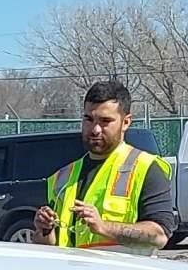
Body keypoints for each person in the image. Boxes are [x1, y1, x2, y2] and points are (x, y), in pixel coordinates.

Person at [32, 80, 178, 249]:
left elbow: (159, 235)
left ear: (126, 122)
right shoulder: (62, 176)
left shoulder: (146, 168)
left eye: (105, 121)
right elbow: (50, 245)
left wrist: (103, 227)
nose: (95, 129)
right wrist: (45, 231)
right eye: (89, 119)